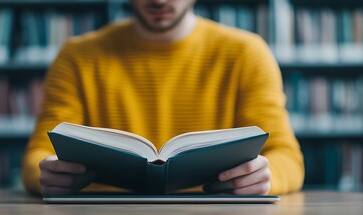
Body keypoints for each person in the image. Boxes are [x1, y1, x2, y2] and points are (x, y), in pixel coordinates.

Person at [22, 0, 304, 196]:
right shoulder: (77, 57)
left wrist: (266, 177)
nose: (159, 0)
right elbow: (39, 154)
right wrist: (46, 175)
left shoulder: (247, 53)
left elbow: (286, 157)